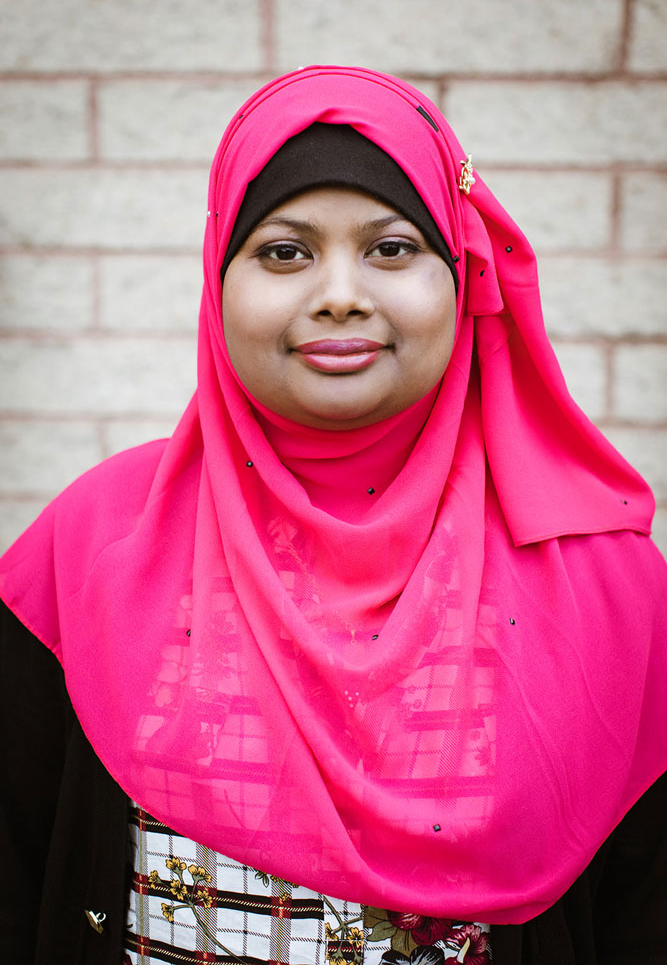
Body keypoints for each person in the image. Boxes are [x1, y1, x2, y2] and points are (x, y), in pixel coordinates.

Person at [1, 66, 665, 965]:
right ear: (217, 280)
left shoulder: (600, 582)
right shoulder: (92, 545)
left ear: (462, 278)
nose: (340, 292)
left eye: (391, 249)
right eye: (284, 251)